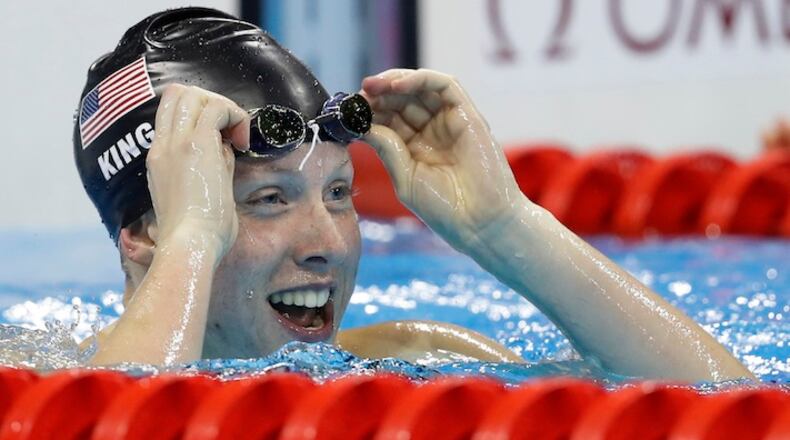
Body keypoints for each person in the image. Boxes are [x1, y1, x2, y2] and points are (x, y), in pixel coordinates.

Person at [75, 8, 753, 382]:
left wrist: (506, 227)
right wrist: (192, 243)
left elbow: (724, 406)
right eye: (269, 200)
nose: (328, 246)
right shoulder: (24, 376)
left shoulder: (415, 364)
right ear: (144, 232)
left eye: (338, 194)